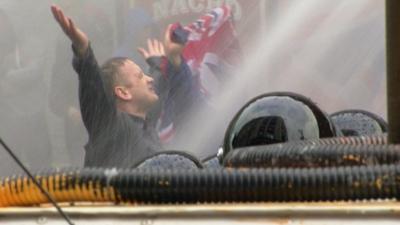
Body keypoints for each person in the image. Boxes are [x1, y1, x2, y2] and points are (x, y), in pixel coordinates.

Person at [50, 5, 195, 168]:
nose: (149, 79)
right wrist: (84, 51)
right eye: (140, 76)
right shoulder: (110, 127)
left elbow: (157, 83)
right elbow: (94, 94)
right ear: (123, 92)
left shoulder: (146, 119)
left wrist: (159, 61)